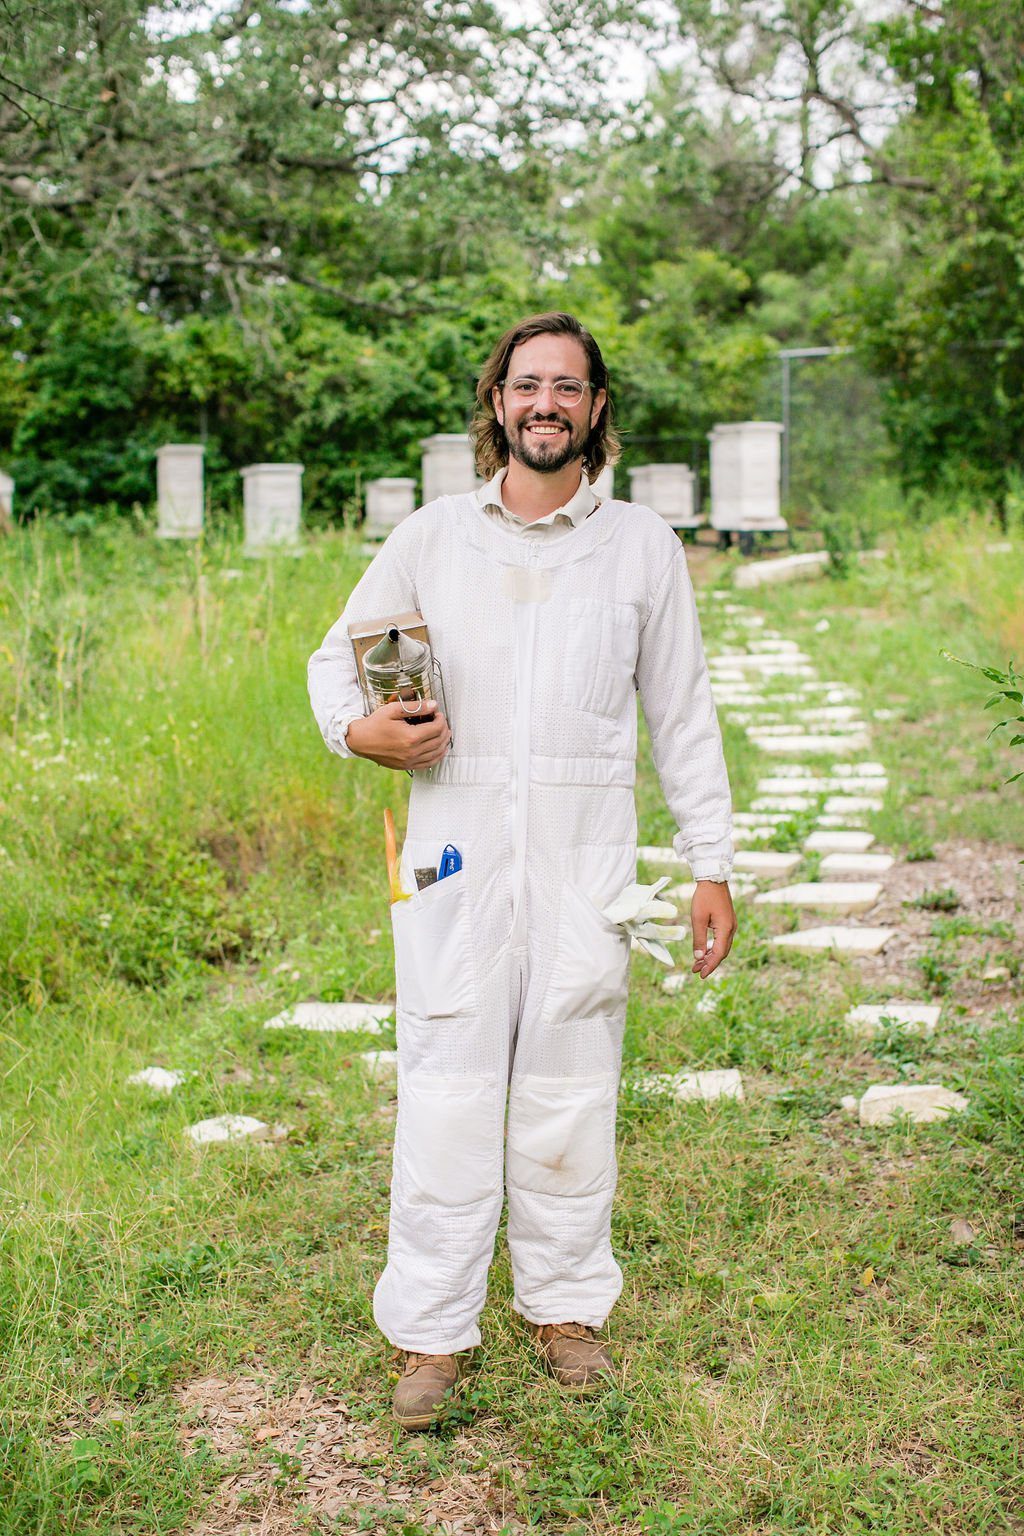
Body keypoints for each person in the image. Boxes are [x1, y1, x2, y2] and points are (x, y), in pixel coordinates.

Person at [308, 312, 735, 1430]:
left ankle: (563, 1310)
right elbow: (331, 662)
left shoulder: (639, 547)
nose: (544, 403)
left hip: (583, 865)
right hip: (451, 858)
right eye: (524, 384)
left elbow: (683, 715)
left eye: (567, 387)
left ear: (596, 410)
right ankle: (433, 1333)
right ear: (497, 402)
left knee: (570, 1092)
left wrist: (711, 864)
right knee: (444, 1089)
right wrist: (365, 737)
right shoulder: (435, 537)